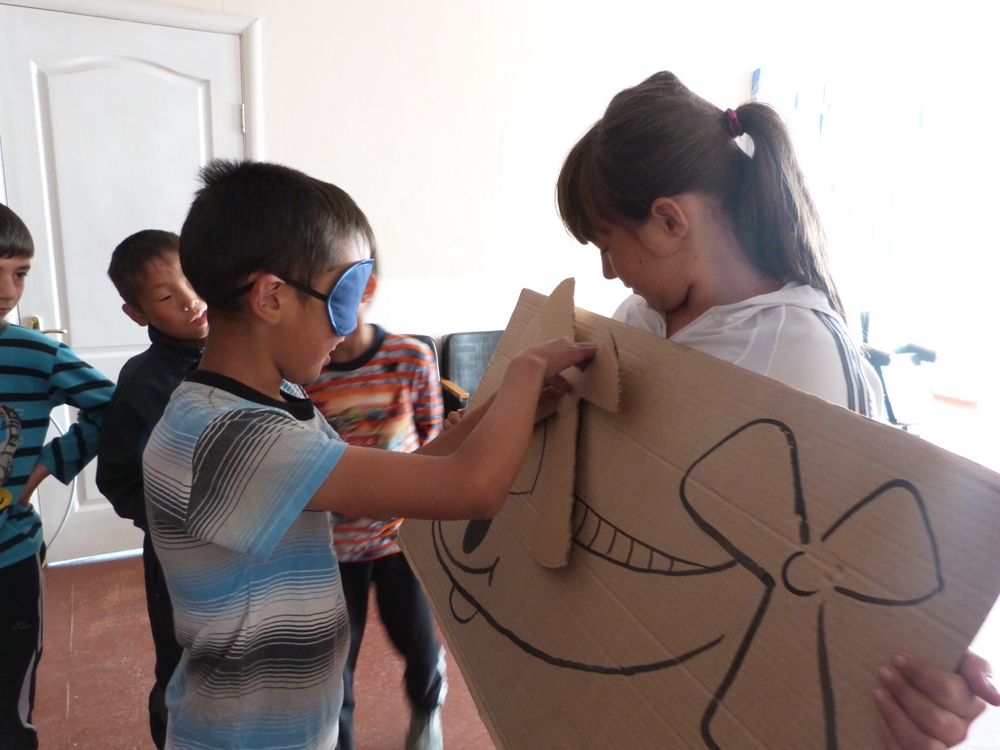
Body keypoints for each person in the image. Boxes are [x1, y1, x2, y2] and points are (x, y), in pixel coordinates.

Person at [554, 70, 999, 750]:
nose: (609, 270)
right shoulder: (638, 319)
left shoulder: (797, 354)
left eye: (608, 245)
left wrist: (916, 665)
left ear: (669, 220)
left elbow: (841, 574)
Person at [142, 160, 596, 750]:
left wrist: (505, 411)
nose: (347, 326)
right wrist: (526, 369)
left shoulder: (272, 402)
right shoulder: (235, 437)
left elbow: (403, 480)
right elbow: (473, 489)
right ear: (271, 297)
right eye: (343, 298)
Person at [305, 261, 447, 750]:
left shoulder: (409, 358)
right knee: (333, 665)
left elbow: (432, 440)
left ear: (365, 289)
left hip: (400, 540)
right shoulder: (304, 372)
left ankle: (427, 707)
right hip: (330, 547)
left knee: (417, 642)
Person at [0, 203, 115, 750]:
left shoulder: (36, 354)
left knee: (8, 708)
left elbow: (114, 408)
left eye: (20, 273)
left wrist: (46, 467)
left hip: (10, 560)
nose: (8, 291)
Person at [96, 229, 208, 750]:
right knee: (181, 667)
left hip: (255, 554)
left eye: (193, 281)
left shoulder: (256, 354)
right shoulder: (143, 382)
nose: (190, 301)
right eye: (166, 297)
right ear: (137, 314)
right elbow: (118, 477)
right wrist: (174, 523)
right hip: (178, 558)